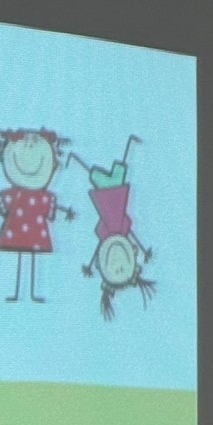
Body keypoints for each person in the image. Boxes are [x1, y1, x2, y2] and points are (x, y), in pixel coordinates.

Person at [74, 136, 155, 319]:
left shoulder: (106, 232)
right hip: (115, 194)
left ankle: (111, 168)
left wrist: (90, 265)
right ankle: (118, 163)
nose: (118, 261)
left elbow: (98, 248)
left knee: (103, 175)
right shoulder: (122, 227)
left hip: (109, 195)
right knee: (111, 174)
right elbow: (129, 237)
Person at [0, 126, 74, 302]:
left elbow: (49, 210)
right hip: (20, 229)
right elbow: (4, 204)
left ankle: (32, 292)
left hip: (34, 231)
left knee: (32, 260)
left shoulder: (41, 196)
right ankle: (18, 292)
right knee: (22, 258)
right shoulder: (16, 194)